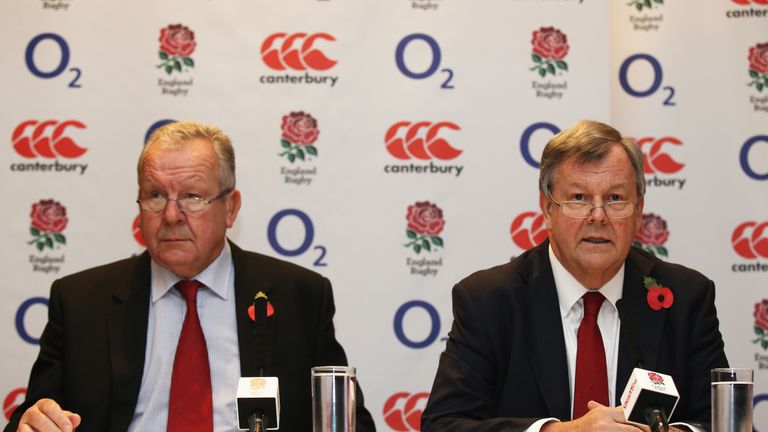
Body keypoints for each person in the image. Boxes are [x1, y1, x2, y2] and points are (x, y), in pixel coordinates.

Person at [6, 121, 375, 432]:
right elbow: (34, 418)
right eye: (154, 195)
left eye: (192, 196)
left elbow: (348, 421)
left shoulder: (300, 297)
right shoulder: (81, 302)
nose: (171, 215)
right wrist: (32, 422)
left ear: (230, 208)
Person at [421, 120, 728, 432]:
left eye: (615, 198)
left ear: (639, 210)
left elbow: (722, 422)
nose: (598, 216)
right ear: (547, 209)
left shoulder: (685, 297)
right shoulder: (489, 300)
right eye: (579, 198)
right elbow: (444, 424)